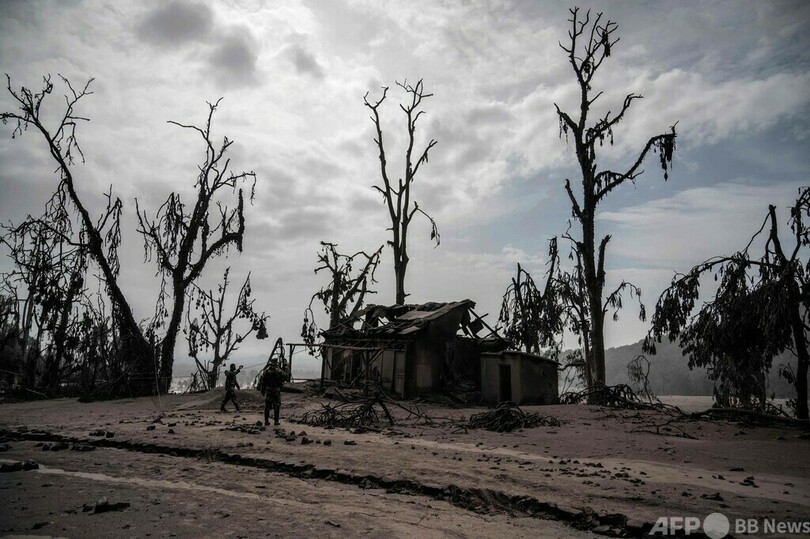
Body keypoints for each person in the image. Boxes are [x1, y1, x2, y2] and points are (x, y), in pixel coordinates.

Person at [260, 358, 287, 426]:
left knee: (267, 406)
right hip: (276, 390)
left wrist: (262, 390)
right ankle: (276, 421)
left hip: (268, 390)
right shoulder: (278, 371)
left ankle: (266, 421)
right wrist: (286, 367)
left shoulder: (266, 371)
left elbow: (263, 382)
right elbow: (285, 376)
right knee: (277, 406)